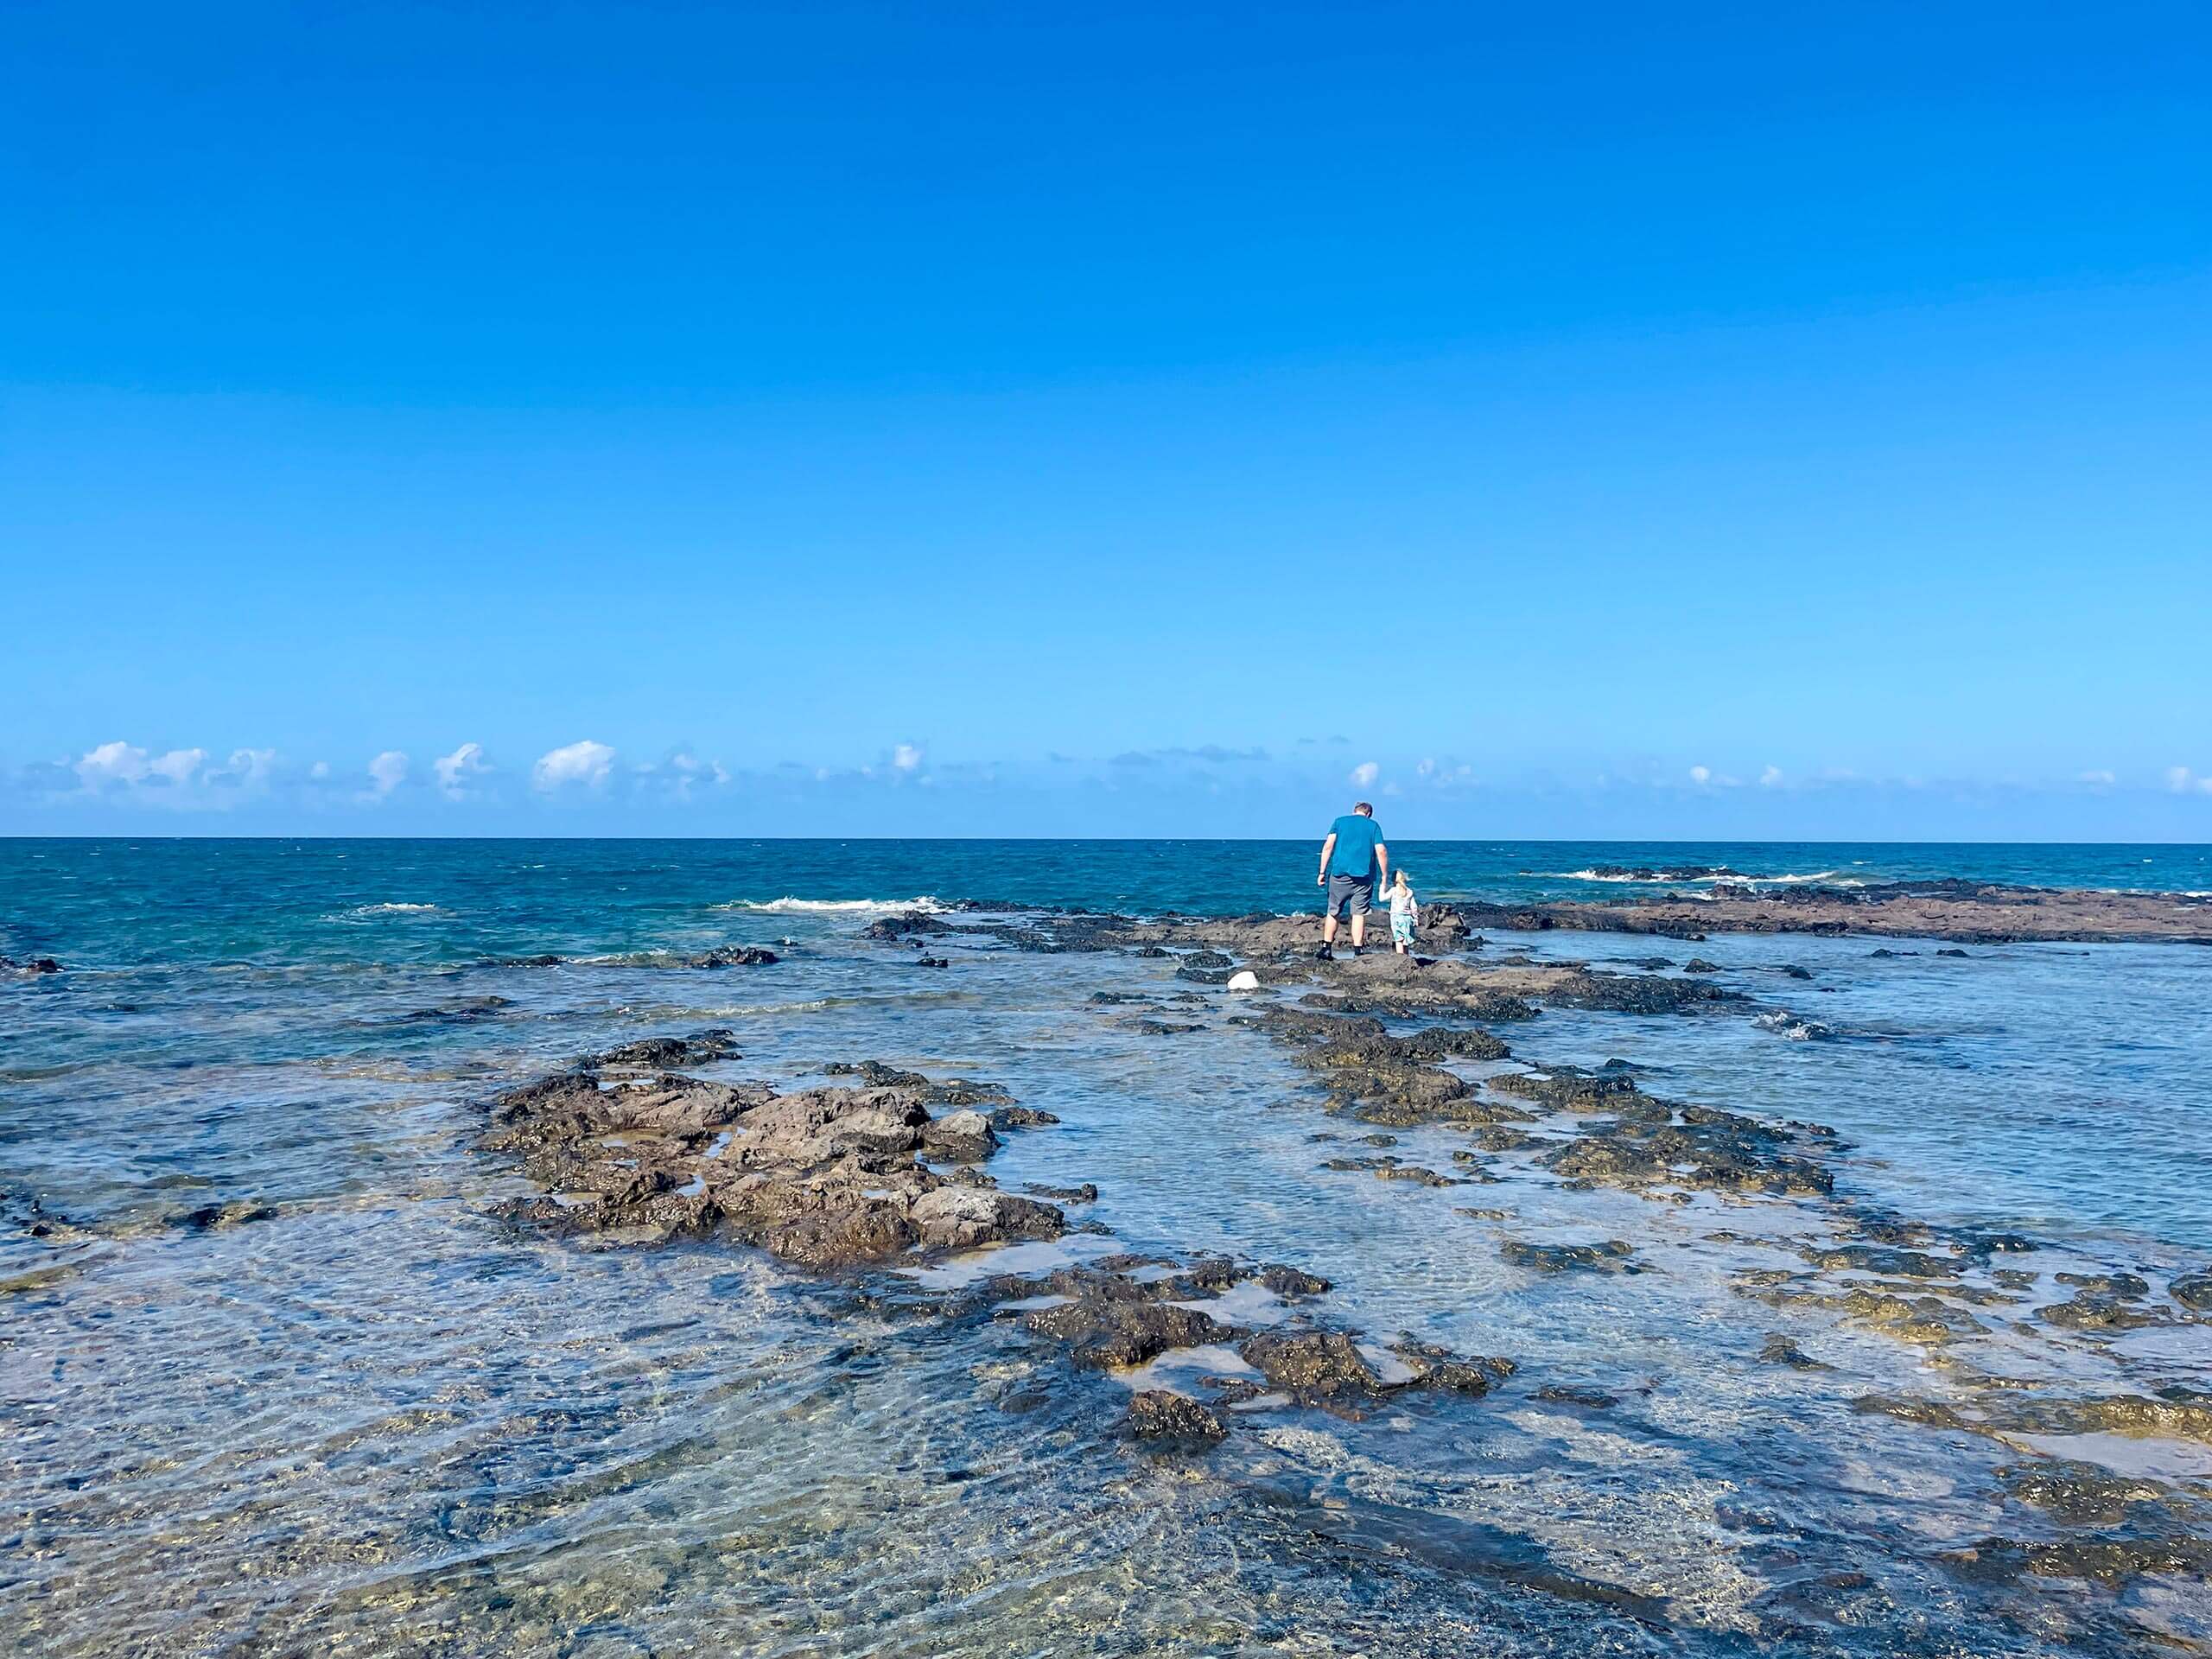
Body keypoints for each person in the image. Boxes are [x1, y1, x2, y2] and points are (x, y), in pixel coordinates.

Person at [1315, 801, 1389, 959]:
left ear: (1354, 811)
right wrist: (1384, 875)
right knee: (1358, 913)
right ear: (1369, 814)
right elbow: (1381, 851)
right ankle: (1358, 950)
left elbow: (1328, 846)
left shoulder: (1339, 822)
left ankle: (1326, 948)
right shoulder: (1373, 826)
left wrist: (1322, 872)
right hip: (1364, 877)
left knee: (1333, 911)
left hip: (1340, 874)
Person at [1387, 868, 1418, 955]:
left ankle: (1400, 957)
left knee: (1398, 940)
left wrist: (1382, 887)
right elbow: (1414, 907)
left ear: (1393, 880)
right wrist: (1416, 919)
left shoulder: (1393, 890)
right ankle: (1406, 956)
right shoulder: (1409, 891)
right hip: (1407, 918)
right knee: (1406, 940)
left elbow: (1383, 898)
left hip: (1396, 917)